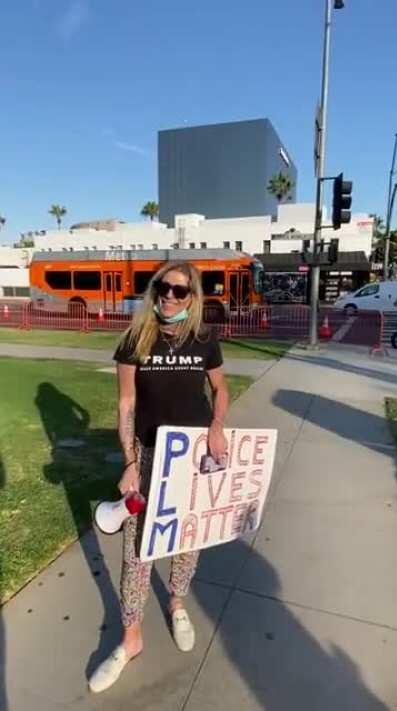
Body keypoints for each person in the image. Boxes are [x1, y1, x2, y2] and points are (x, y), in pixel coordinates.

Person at [89, 260, 229, 693]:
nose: (169, 296)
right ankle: (131, 638)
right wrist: (130, 460)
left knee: (188, 539)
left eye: (179, 291)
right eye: (162, 288)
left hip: (194, 456)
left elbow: (220, 388)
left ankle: (176, 601)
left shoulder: (205, 337)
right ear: (153, 291)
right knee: (137, 549)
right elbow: (126, 404)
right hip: (150, 457)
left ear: (193, 297)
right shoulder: (136, 338)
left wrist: (218, 425)